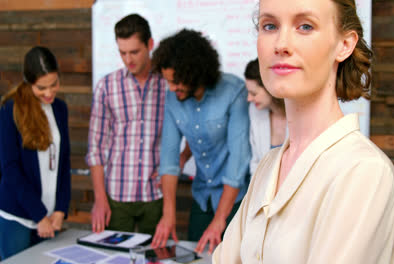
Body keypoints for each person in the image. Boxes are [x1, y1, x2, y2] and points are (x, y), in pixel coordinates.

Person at [213, 0, 394, 262]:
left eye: (305, 26)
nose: (281, 44)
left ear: (344, 44)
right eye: (270, 25)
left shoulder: (364, 170)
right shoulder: (268, 166)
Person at [150, 29, 251, 254]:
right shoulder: (172, 99)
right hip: (202, 196)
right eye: (167, 81)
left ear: (195, 73)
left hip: (235, 200)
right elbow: (169, 159)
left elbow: (238, 161)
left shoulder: (234, 92)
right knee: (195, 255)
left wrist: (220, 220)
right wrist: (168, 215)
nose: (171, 88)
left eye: (176, 82)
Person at [86, 14, 167, 235]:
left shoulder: (167, 84)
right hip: (117, 196)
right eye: (122, 53)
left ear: (150, 45)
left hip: (156, 195)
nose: (128, 59)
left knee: (155, 257)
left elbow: (189, 130)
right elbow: (96, 147)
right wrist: (100, 199)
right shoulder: (106, 86)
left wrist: (178, 159)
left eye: (134, 52)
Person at [0, 46, 71, 259]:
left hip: (48, 218)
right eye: (41, 87)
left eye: (54, 84)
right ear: (28, 82)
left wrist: (60, 210)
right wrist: (39, 216)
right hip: (16, 218)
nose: (49, 93)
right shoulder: (9, 110)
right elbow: (11, 170)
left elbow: (63, 163)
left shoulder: (60, 109)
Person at [244, 58, 287, 174]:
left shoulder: (300, 115)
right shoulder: (255, 111)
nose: (249, 99)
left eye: (254, 93)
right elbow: (256, 162)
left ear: (270, 87)